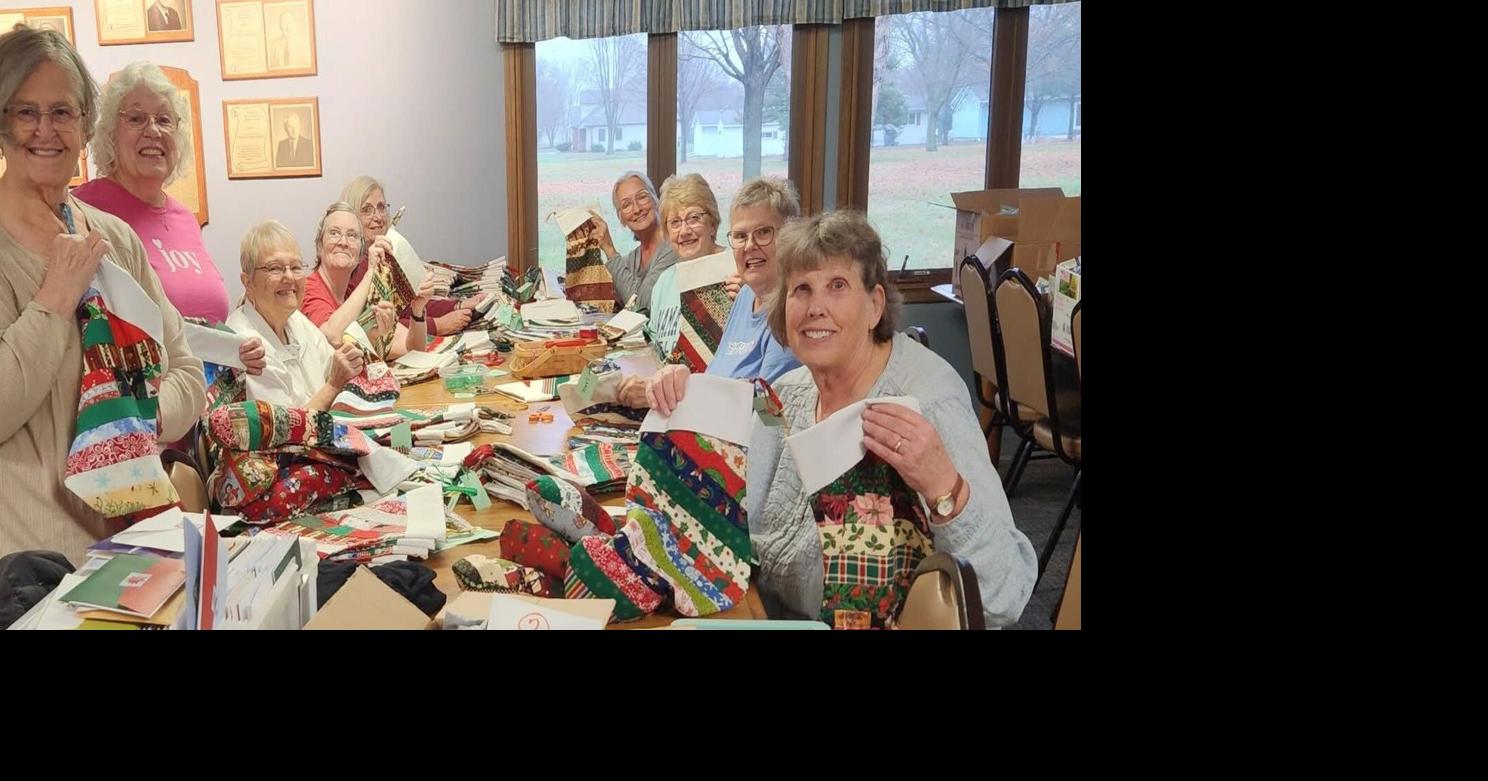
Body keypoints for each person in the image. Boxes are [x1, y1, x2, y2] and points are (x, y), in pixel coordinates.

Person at [648, 209, 1038, 627]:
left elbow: (1004, 594)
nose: (816, 307)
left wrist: (945, 488)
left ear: (874, 305)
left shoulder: (926, 399)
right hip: (771, 615)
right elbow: (740, 509)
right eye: (801, 289)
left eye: (837, 286)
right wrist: (686, 398)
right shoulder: (792, 392)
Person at [0, 25, 205, 562]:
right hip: (37, 564)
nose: (46, 130)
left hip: (141, 543)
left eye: (63, 112)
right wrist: (52, 303)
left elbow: (186, 371)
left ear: (86, 125)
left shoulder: (114, 238)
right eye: (26, 112)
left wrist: (137, 417)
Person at [75, 62, 262, 377]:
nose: (153, 130)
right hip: (143, 404)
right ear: (109, 133)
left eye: (164, 120)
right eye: (136, 118)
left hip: (208, 401)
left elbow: (203, 317)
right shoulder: (85, 209)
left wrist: (237, 350)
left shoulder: (184, 218)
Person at [624, 176, 803, 407]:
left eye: (764, 232)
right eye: (740, 236)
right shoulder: (746, 297)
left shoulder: (790, 313)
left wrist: (683, 394)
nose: (750, 245)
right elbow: (715, 376)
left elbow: (767, 412)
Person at [224, 220, 363, 411]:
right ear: (248, 282)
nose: (289, 277)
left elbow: (336, 367)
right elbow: (288, 428)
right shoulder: (246, 345)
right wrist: (333, 385)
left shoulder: (295, 319)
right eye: (275, 268)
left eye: (296, 267)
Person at [339, 175, 483, 336]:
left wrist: (459, 305)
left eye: (381, 207)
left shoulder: (384, 255)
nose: (378, 217)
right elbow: (375, 323)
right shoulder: (351, 265)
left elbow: (409, 305)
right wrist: (438, 325)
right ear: (351, 216)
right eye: (366, 210)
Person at [298, 200, 434, 361]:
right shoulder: (308, 288)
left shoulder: (354, 295)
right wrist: (371, 271)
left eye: (352, 235)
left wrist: (418, 310)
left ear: (360, 251)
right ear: (319, 246)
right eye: (334, 233)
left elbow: (412, 350)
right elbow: (331, 336)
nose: (343, 242)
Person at [586, 170, 677, 313]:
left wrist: (609, 249)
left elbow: (641, 306)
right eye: (627, 205)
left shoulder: (673, 246)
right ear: (621, 218)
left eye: (642, 197)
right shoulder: (631, 260)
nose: (637, 209)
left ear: (655, 200)